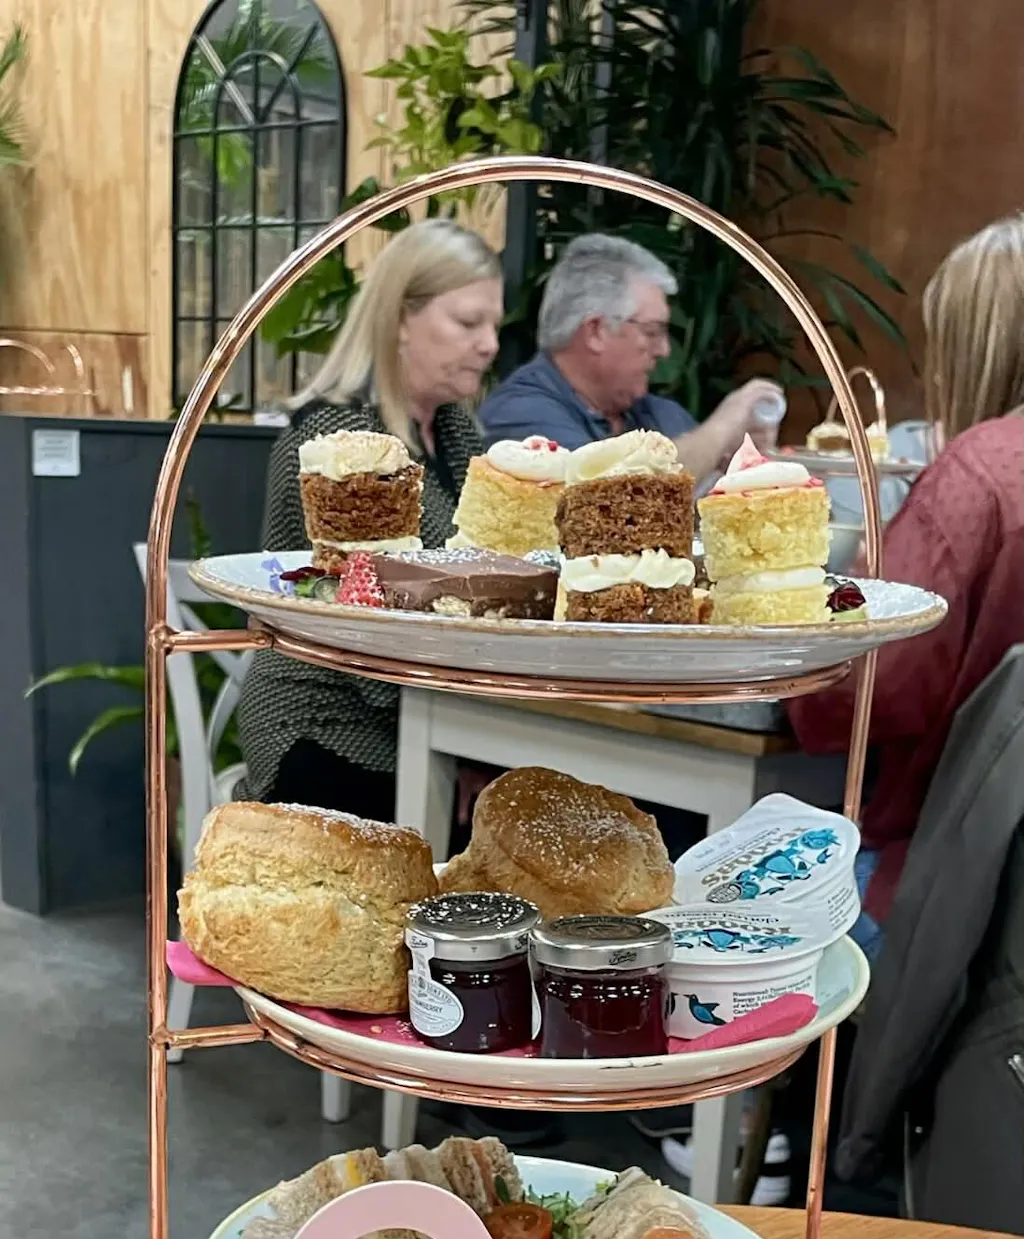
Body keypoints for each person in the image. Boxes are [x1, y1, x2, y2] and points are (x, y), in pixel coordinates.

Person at [789, 211, 1024, 961]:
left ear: (970, 348)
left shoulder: (979, 476)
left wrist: (844, 592)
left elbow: (862, 691)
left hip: (949, 892)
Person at [237, 219, 503, 815]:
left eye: (493, 325)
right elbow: (355, 615)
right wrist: (464, 742)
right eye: (468, 323)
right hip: (328, 721)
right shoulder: (336, 444)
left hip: (434, 719)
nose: (489, 344)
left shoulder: (456, 432)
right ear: (401, 319)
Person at [479, 233, 782, 482]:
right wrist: (722, 427)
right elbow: (606, 504)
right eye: (652, 331)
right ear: (596, 331)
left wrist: (740, 461)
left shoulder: (660, 413)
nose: (664, 350)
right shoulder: (520, 413)